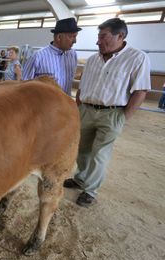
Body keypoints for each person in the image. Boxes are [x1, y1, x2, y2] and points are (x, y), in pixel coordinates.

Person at [64, 18, 151, 207]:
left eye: (103, 37)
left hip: (112, 113)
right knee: (82, 149)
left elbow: (141, 90)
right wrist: (79, 106)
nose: (98, 41)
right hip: (86, 109)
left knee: (99, 154)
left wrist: (123, 117)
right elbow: (83, 86)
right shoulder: (93, 59)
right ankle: (80, 179)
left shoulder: (137, 58)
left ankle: (90, 191)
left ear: (120, 36)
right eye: (98, 36)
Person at [22, 17, 81, 95]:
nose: (75, 41)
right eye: (71, 37)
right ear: (59, 37)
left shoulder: (72, 55)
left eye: (75, 36)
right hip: (43, 105)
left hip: (65, 103)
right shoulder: (38, 56)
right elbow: (23, 85)